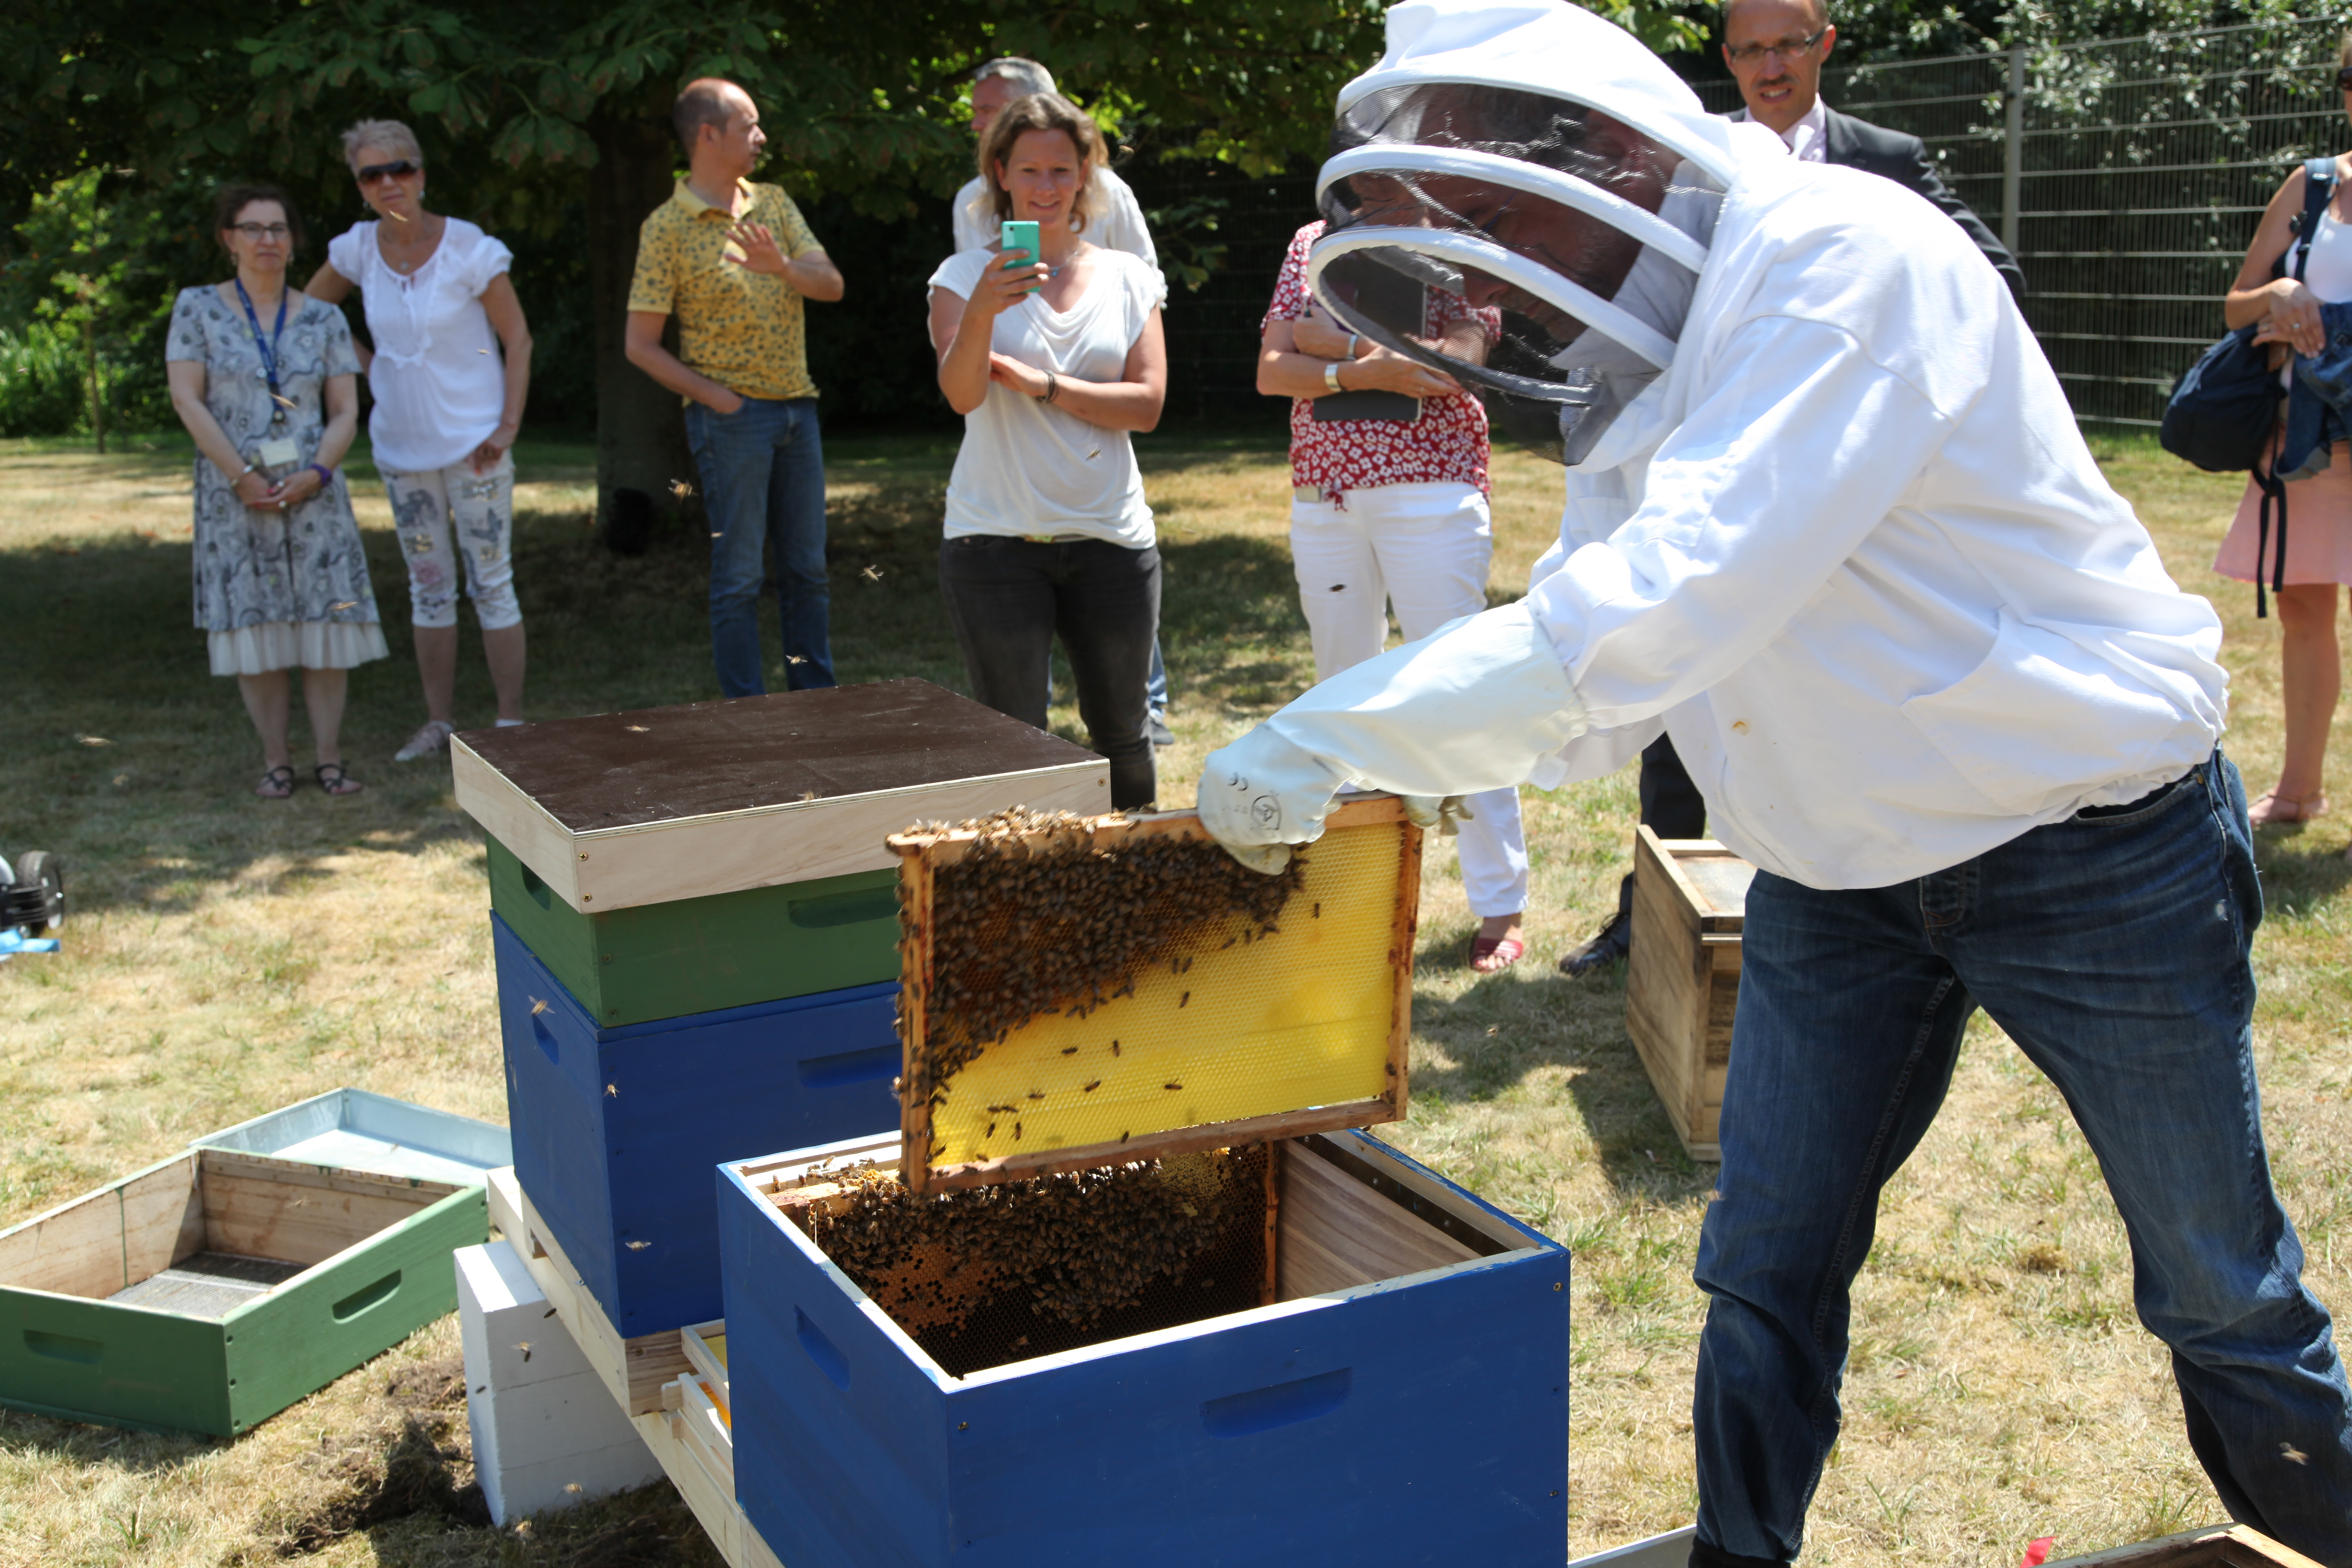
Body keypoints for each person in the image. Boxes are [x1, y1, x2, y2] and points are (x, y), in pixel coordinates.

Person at [1194, 3, 2352, 1564]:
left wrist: (1329, 733)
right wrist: (1369, 756)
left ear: (1602, 153)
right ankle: (1741, 1550)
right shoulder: (1640, 335)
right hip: (1830, 874)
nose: (1490, 286)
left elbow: (1651, 614)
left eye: (1491, 223)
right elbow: (1597, 697)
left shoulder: (1841, 264)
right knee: (1763, 1264)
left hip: (2085, 847)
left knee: (2214, 1278)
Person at [1560, 0, 2028, 975]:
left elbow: (1991, 274)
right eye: (1750, 50)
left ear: (1824, 47)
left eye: (1788, 45)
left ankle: (1850, 911)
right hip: (1712, 463)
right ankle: (1649, 916)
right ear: (1727, 60)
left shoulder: (1885, 156)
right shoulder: (1690, 163)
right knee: (1685, 682)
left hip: (1852, 482)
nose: (1770, 67)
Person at [1256, 217, 1531, 971]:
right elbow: (1274, 368)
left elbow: (1454, 367)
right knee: (1342, 696)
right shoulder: (1312, 240)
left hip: (1433, 494)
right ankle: (1359, 896)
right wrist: (1368, 364)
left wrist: (1333, 344)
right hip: (1327, 495)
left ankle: (1500, 902)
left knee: (1460, 689)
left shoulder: (1465, 235)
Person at [928, 90, 1168, 810]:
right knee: (1014, 742)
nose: (1046, 187)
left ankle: (1132, 897)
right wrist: (982, 313)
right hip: (994, 540)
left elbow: (1149, 405)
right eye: (1029, 170)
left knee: (1124, 736)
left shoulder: (1129, 277)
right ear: (999, 173)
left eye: (1062, 170)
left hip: (1110, 537)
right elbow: (963, 395)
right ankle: (1021, 907)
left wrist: (1046, 386)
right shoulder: (962, 277)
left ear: (1086, 174)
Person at [305, 119, 533, 761]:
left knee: (492, 581)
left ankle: (511, 728)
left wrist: (507, 426)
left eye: (399, 169)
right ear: (360, 186)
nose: (389, 183)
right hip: (402, 450)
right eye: (372, 174)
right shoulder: (356, 250)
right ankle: (441, 725)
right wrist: (368, 364)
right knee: (428, 584)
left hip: (476, 445)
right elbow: (313, 311)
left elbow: (517, 339)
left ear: (422, 174)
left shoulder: (469, 249)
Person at [626, 77, 845, 699]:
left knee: (808, 571)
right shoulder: (666, 227)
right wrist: (719, 399)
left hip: (798, 414)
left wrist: (783, 266)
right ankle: (746, 716)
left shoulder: (773, 204)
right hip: (731, 422)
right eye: (749, 125)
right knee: (740, 577)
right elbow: (638, 345)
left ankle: (817, 704)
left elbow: (831, 286)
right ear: (707, 135)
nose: (761, 137)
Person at [167, 183, 385, 799]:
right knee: (255, 633)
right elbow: (187, 397)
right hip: (234, 496)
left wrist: (317, 471)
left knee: (325, 631)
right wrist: (241, 476)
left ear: (293, 243)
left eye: (279, 229)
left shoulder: (323, 317)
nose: (267, 240)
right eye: (253, 228)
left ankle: (329, 759)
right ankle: (275, 762)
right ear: (227, 239)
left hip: (314, 493)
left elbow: (345, 409)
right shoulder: (196, 309)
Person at [2217, 40, 2352, 841]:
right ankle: (2300, 792)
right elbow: (2236, 306)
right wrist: (2278, 291)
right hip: (2304, 433)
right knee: (2304, 610)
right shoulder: (2313, 184)